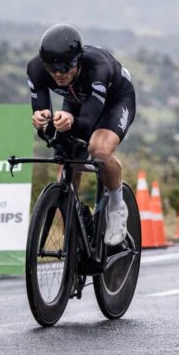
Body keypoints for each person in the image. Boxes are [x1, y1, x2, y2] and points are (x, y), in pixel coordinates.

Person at [27, 24, 136, 246]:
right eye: (53, 69)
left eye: (66, 68)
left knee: (98, 149)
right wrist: (42, 120)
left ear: (78, 61)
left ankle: (116, 206)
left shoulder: (98, 68)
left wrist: (71, 122)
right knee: (66, 161)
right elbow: (47, 132)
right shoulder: (35, 69)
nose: (58, 75)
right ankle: (74, 240)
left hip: (114, 101)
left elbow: (86, 126)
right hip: (77, 100)